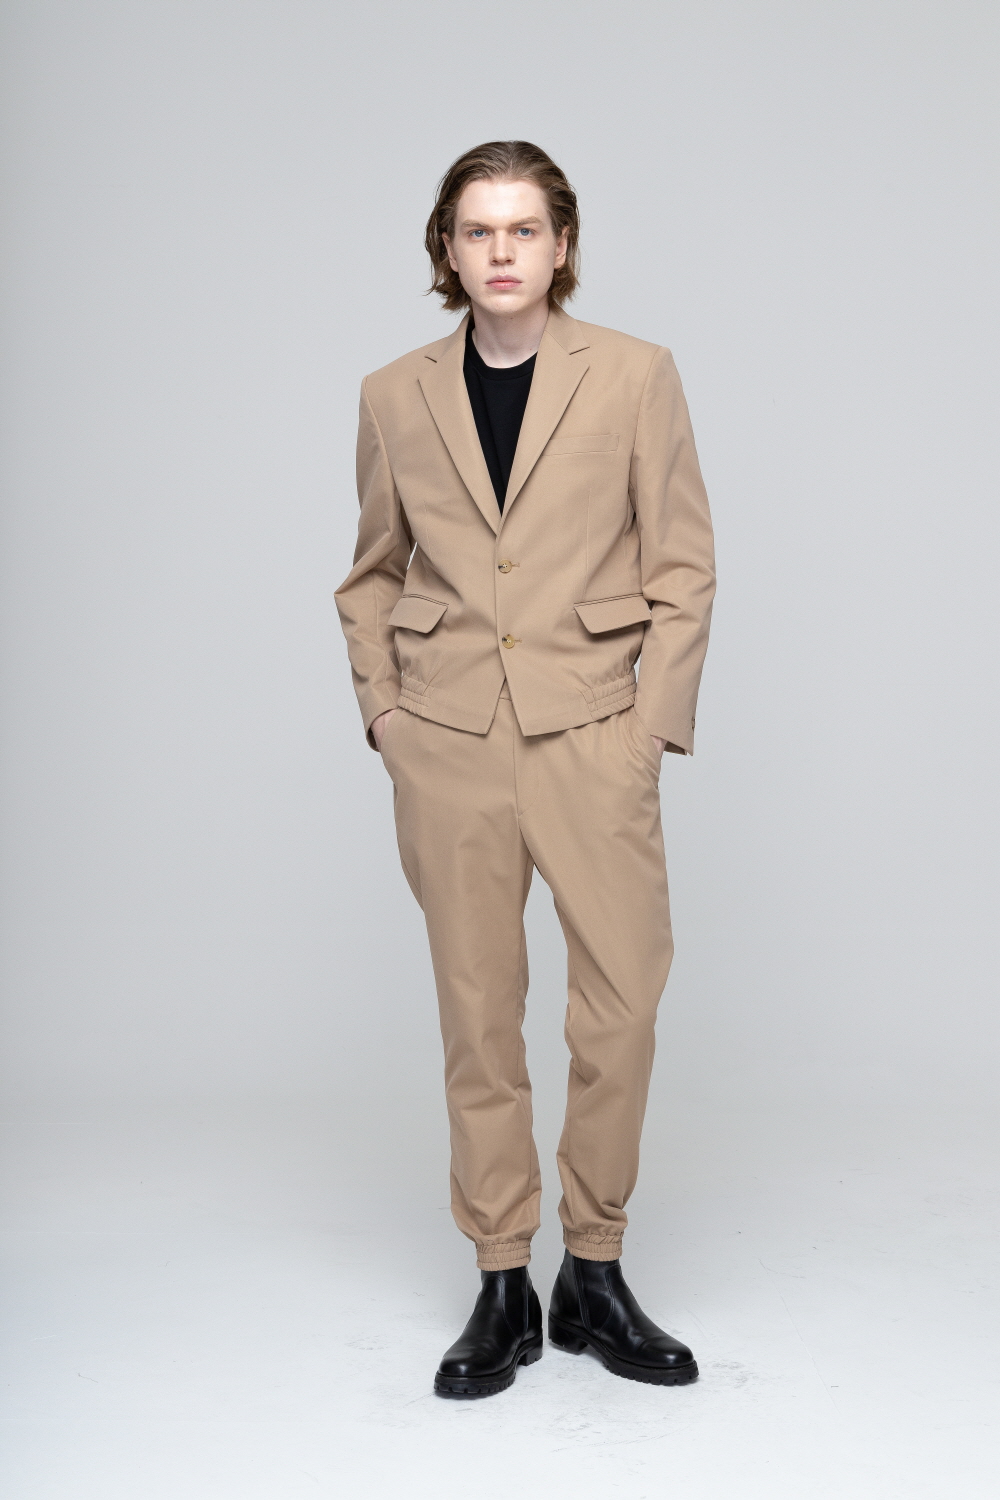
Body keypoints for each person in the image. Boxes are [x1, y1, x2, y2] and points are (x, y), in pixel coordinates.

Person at [335, 141, 715, 1398]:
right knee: (477, 1014)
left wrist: (649, 728)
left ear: (561, 245)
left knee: (622, 1004)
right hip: (446, 742)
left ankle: (591, 1269)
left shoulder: (636, 375)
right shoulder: (394, 394)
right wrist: (386, 715)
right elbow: (372, 572)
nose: (500, 251)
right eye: (476, 230)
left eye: (523, 229)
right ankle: (502, 1277)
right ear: (446, 251)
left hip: (592, 731)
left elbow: (683, 564)